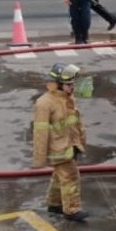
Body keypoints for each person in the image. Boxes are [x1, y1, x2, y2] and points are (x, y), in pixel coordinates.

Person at [33, 62, 88, 222]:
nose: (72, 87)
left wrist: (81, 141)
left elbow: (76, 122)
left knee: (60, 177)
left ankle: (54, 204)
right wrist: (40, 158)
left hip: (71, 145)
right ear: (57, 84)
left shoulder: (67, 99)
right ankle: (72, 210)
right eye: (68, 84)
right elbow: (40, 133)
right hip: (59, 149)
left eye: (72, 84)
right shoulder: (44, 103)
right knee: (70, 177)